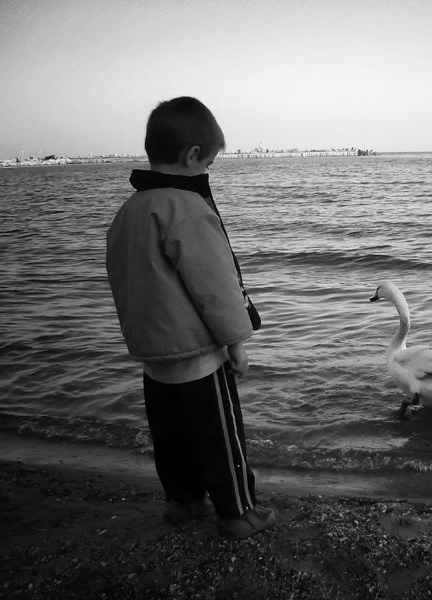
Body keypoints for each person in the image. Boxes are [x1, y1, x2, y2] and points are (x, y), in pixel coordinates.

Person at [106, 96, 275, 539]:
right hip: (197, 356)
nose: (208, 173)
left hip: (153, 356)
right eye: (209, 164)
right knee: (221, 438)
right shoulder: (189, 209)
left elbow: (123, 277)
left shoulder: (130, 211)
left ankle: (183, 503)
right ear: (193, 156)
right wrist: (236, 341)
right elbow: (215, 285)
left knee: (172, 438)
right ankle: (239, 512)